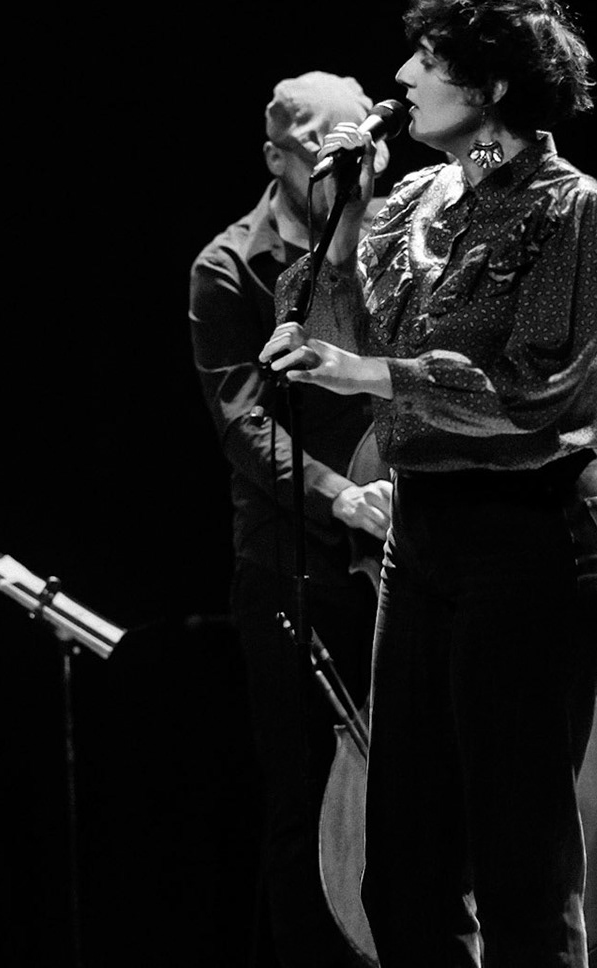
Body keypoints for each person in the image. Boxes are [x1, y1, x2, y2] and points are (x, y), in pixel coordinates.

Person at [260, 0, 597, 966]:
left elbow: (530, 389)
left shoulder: (567, 208)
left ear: (494, 86)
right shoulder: (413, 196)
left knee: (518, 860)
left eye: (429, 57)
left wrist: (369, 374)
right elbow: (338, 308)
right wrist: (341, 207)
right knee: (405, 866)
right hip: (426, 536)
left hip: (533, 535)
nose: (402, 74)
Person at [188, 70, 392, 967]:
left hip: (406, 555)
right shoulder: (228, 264)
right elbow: (241, 419)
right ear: (276, 156)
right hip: (294, 565)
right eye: (322, 149)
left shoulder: (394, 239)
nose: (344, 164)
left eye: (360, 146)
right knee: (305, 799)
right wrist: (340, 496)